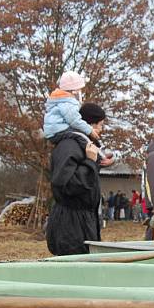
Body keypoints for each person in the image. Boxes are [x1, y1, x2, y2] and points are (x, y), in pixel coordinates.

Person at [46, 102, 109, 255]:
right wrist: (90, 162)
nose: (101, 130)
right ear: (90, 124)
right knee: (74, 273)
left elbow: (85, 179)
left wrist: (97, 164)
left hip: (83, 221)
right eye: (100, 125)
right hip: (70, 225)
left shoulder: (81, 145)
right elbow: (68, 185)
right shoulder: (69, 145)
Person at [43, 71, 94, 140]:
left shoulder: (60, 100)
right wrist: (90, 130)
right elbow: (74, 120)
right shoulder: (67, 103)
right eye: (79, 89)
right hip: (59, 130)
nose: (80, 92)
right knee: (81, 137)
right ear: (74, 90)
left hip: (53, 130)